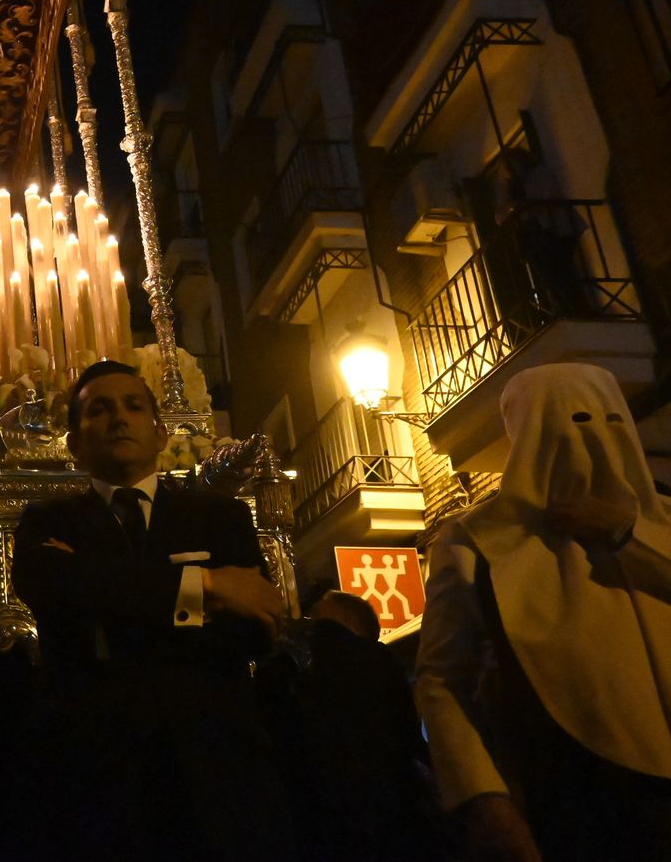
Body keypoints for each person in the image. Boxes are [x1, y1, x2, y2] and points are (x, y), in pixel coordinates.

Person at [11, 360, 289, 858]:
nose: (119, 418)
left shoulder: (219, 516)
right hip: (95, 768)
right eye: (99, 409)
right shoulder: (47, 520)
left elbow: (254, 629)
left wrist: (104, 596)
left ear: (160, 434)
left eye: (133, 406)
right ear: (75, 443)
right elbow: (54, 588)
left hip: (213, 763)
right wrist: (206, 585)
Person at [415, 363, 671, 861]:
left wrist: (628, 536)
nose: (592, 438)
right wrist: (484, 796)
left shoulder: (661, 519)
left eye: (608, 419)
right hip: (577, 795)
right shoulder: (479, 540)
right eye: (571, 420)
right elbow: (442, 678)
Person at [258, 590, 442, 861]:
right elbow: (408, 740)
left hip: (310, 826)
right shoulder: (381, 665)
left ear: (344, 619)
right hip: (389, 824)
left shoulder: (285, 664)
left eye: (317, 614)